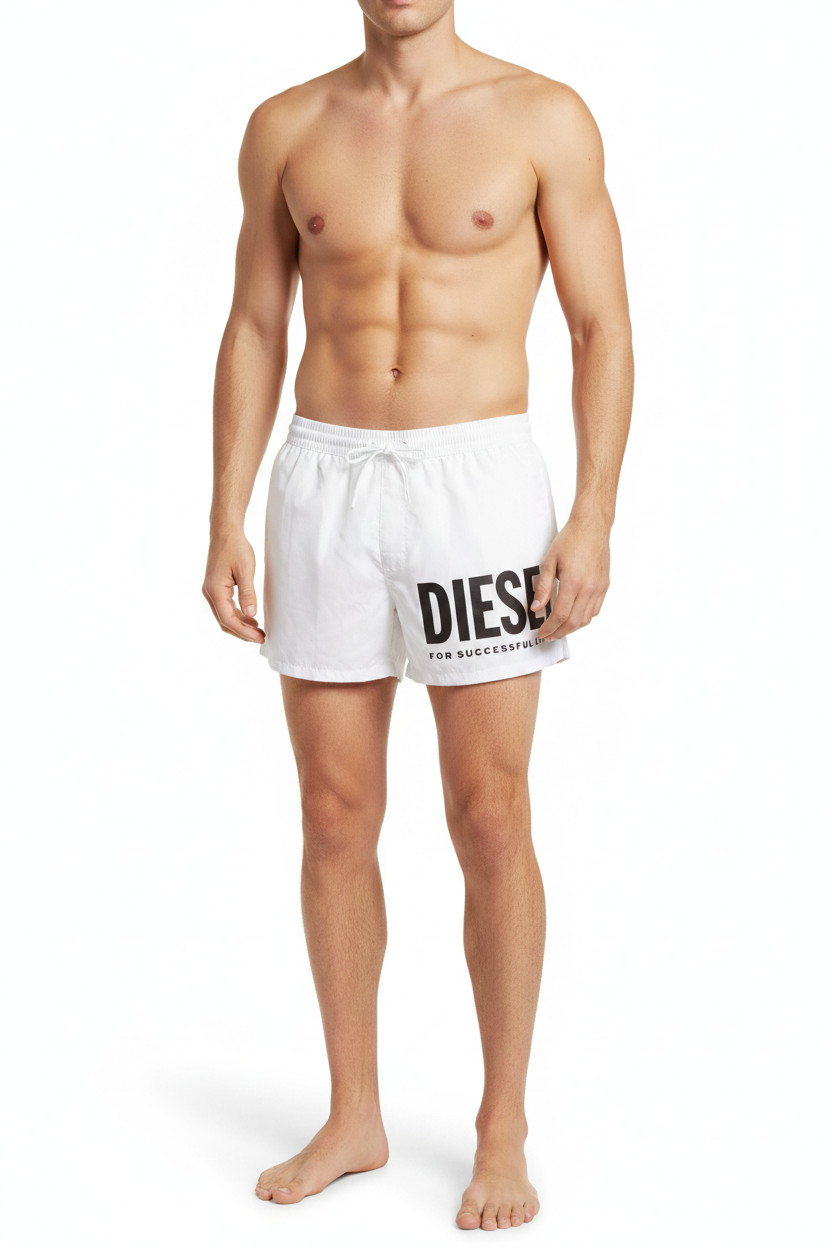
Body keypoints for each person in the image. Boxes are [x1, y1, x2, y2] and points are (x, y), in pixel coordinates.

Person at [202, 0, 633, 1232]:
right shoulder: (286, 125)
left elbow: (601, 328)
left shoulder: (542, 115)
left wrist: (592, 514)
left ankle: (502, 1126)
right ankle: (354, 1114)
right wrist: (226, 512)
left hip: (476, 486)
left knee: (489, 814)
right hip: (325, 477)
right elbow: (255, 325)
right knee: (334, 814)